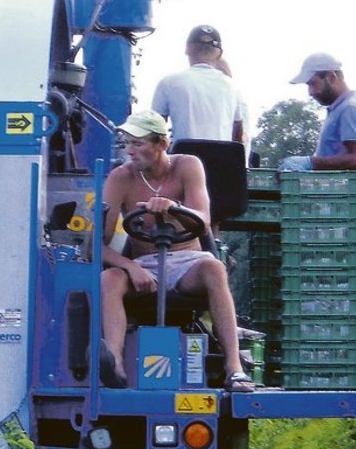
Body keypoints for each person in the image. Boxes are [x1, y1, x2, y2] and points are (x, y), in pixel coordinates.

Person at [99, 110, 254, 392]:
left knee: (215, 269)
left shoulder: (187, 166)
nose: (129, 151)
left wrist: (173, 208)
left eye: (138, 143)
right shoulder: (119, 178)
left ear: (161, 144)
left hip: (188, 263)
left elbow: (203, 219)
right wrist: (131, 267)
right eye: (127, 143)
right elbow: (96, 244)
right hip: (144, 264)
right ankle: (115, 365)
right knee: (108, 279)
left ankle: (234, 367)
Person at [150, 25, 249, 156]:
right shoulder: (233, 88)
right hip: (222, 167)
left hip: (183, 166)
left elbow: (153, 131)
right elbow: (237, 137)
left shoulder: (168, 83)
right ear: (219, 54)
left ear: (187, 49)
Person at [282, 52, 356, 171]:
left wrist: (311, 163)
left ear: (331, 77)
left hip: (345, 189)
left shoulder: (351, 108)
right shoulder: (339, 109)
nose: (310, 92)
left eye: (312, 83)